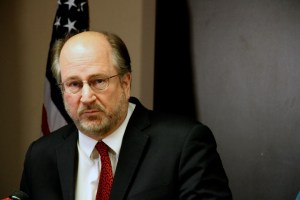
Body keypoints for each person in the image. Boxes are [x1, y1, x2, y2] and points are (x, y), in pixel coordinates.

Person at [20, 31, 232, 200]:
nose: (86, 97)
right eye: (74, 84)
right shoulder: (40, 156)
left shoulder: (183, 144)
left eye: (98, 81)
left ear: (125, 83)